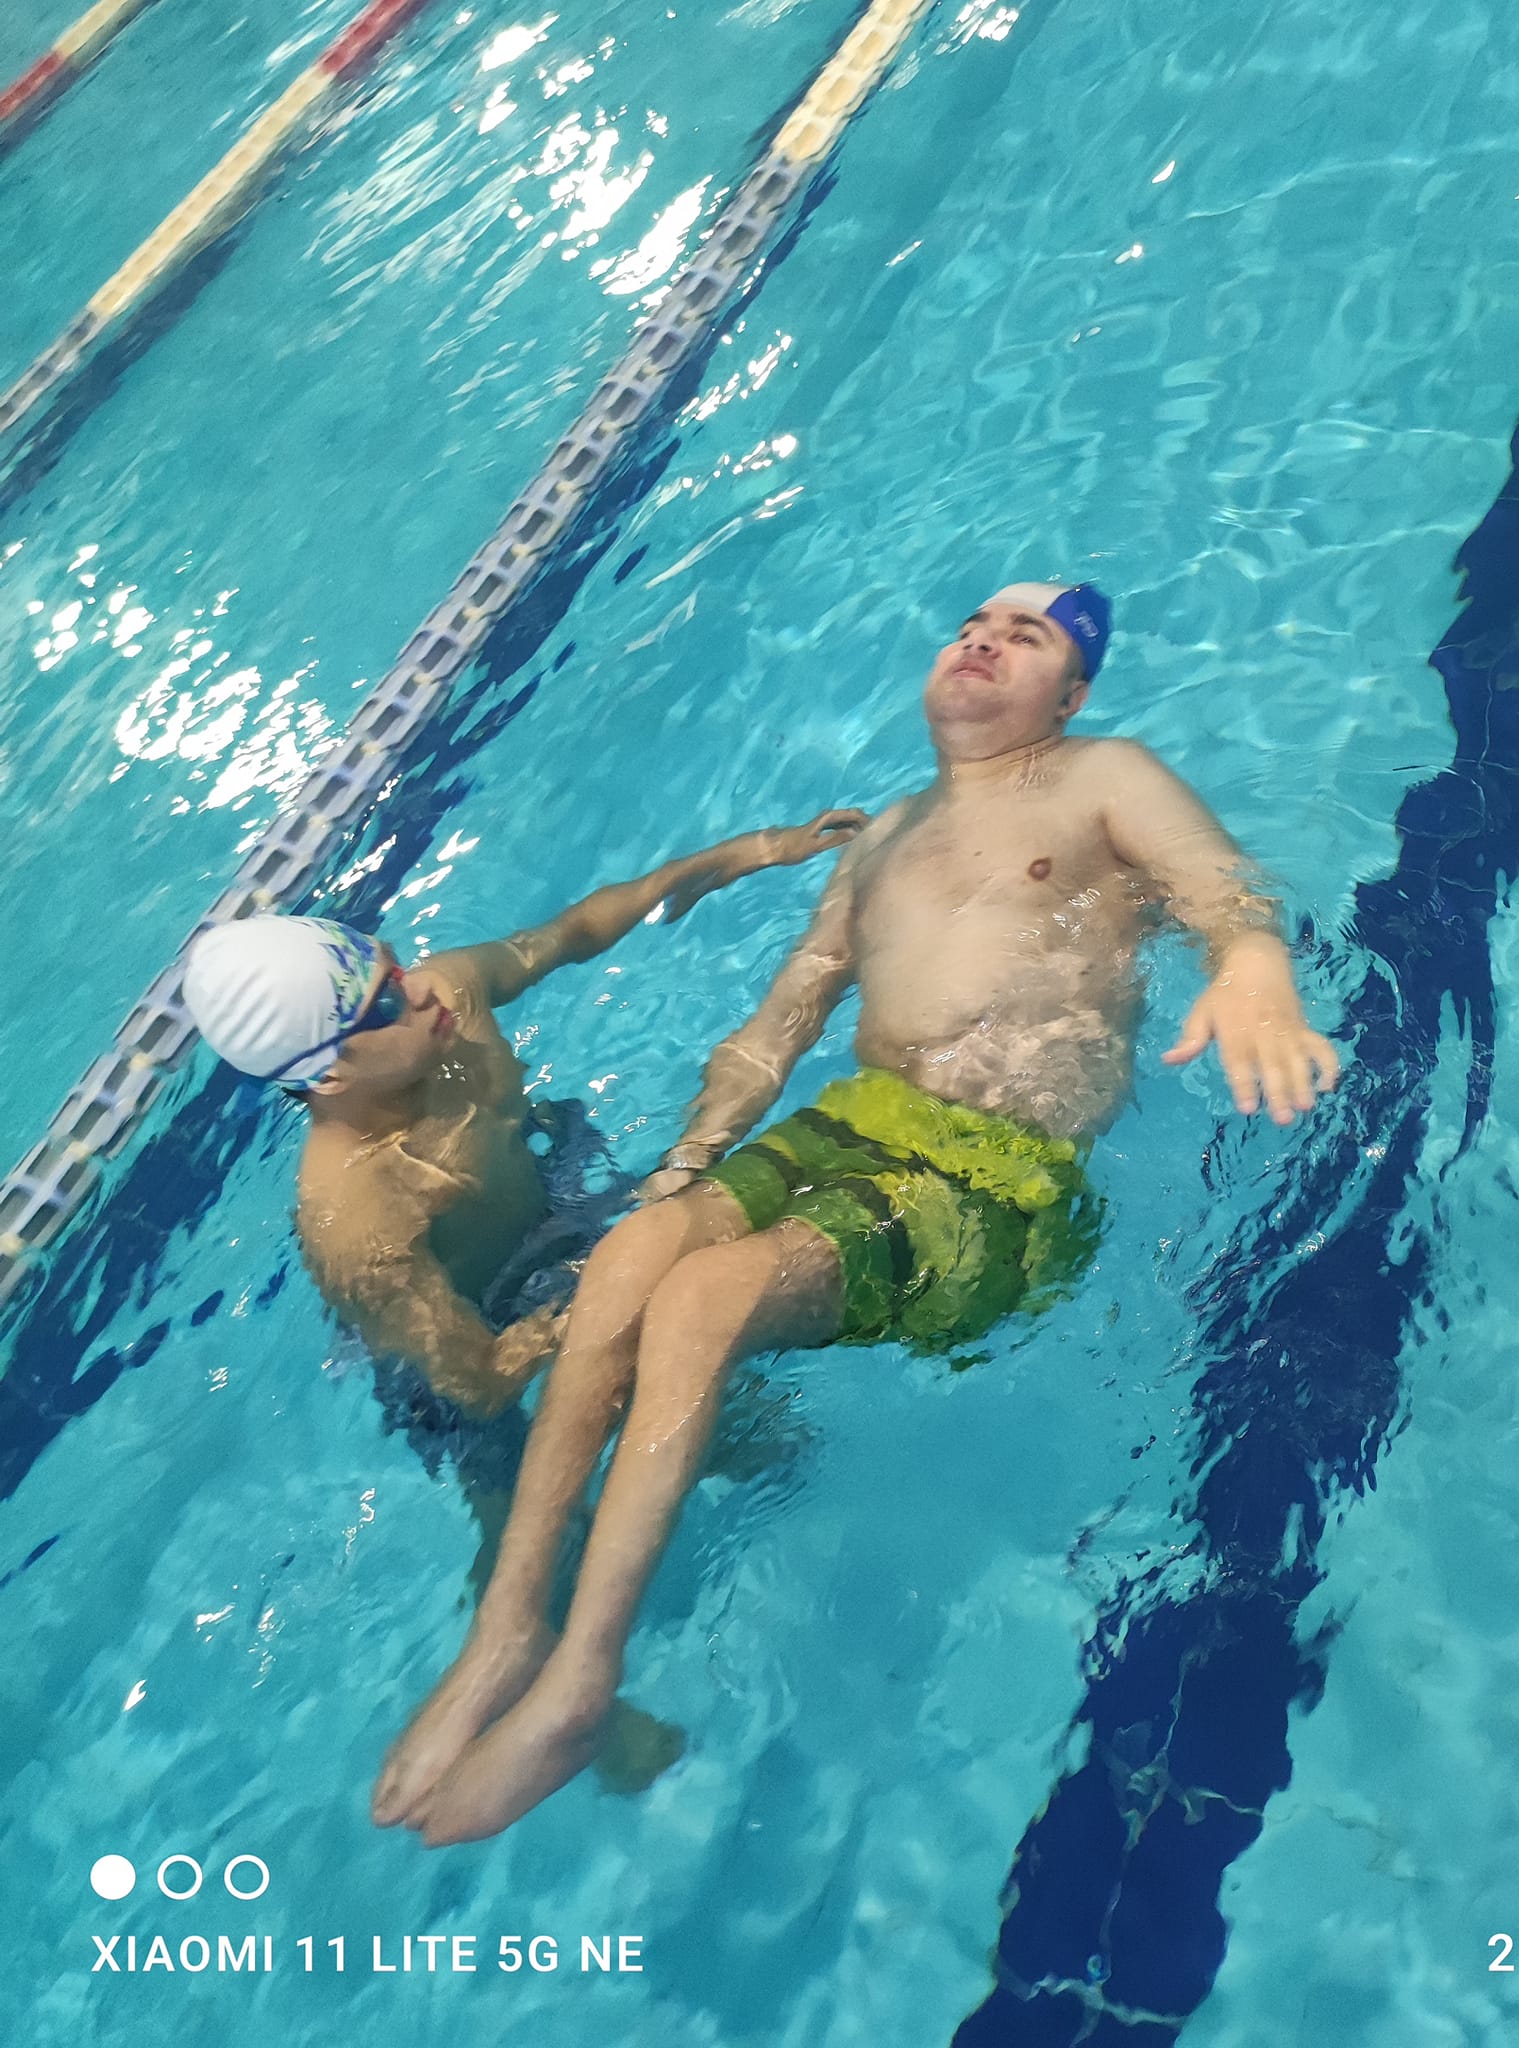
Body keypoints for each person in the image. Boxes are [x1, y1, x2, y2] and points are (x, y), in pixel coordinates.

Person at [372, 578, 1341, 1844]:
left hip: (994, 1170)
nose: (983, 639)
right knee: (633, 1256)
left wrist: (1252, 962)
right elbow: (781, 1018)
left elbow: (1221, 887)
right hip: (852, 1124)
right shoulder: (883, 834)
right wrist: (685, 1162)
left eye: (1026, 636)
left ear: (1069, 695)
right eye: (973, 624)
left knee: (704, 1299)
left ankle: (580, 1679)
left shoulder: (1103, 776)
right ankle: (507, 1633)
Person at [182, 812, 864, 1428]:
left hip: (557, 1211)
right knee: (693, 1422)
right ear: (328, 1074)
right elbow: (481, 1383)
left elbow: (572, 933)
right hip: (486, 1319)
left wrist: (748, 852)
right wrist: (608, 1291)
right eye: (385, 1005)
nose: (418, 989)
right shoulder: (357, 1219)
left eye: (393, 965)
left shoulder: (449, 994)